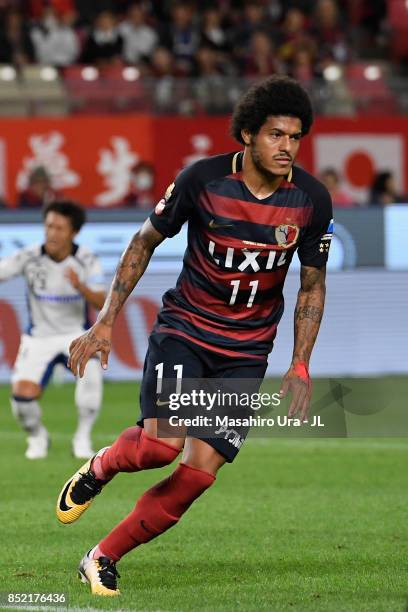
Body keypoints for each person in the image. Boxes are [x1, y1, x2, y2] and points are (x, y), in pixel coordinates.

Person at [56, 76, 333, 596]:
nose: (287, 147)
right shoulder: (202, 180)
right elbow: (143, 243)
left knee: (198, 476)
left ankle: (101, 556)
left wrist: (299, 362)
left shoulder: (312, 200)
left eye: (295, 138)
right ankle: (101, 465)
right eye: (276, 135)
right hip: (186, 332)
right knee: (162, 448)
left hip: (247, 351)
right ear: (247, 135)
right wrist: (106, 320)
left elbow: (312, 286)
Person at [0, 201, 106, 459]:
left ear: (73, 232)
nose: (52, 233)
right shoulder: (29, 256)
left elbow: (103, 303)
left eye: (59, 228)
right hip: (39, 337)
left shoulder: (87, 259)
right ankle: (37, 437)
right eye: (48, 226)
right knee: (22, 399)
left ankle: (82, 437)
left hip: (75, 334)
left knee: (92, 373)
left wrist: (80, 286)